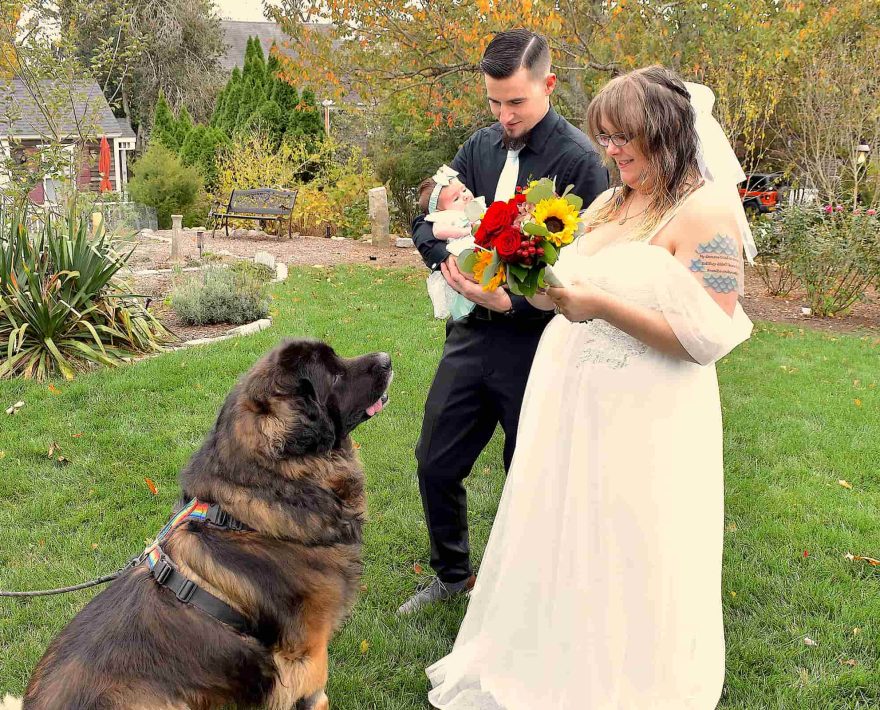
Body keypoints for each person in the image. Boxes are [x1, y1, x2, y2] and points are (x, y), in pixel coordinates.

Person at [426, 65, 755, 709]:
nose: (611, 150)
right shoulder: (612, 198)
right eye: (606, 137)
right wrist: (492, 298)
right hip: (572, 397)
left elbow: (708, 338)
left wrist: (596, 305)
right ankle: (559, 653)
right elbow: (561, 295)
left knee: (630, 537)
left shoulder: (706, 210)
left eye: (624, 137)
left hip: (648, 409)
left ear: (667, 132)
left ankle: (627, 676)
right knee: (570, 527)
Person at [399, 29, 609, 614]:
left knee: (530, 478)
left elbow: (581, 268)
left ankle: (529, 592)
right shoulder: (480, 147)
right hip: (469, 338)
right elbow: (424, 222)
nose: (503, 115)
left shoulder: (580, 162)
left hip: (538, 344)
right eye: (493, 102)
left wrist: (511, 303)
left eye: (515, 102)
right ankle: (451, 575)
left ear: (547, 83)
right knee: (435, 462)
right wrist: (444, 261)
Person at [417, 166, 485, 320]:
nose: (465, 196)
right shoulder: (448, 217)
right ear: (440, 211)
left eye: (464, 189)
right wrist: (464, 231)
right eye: (456, 199)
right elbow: (438, 232)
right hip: (462, 248)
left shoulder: (476, 208)